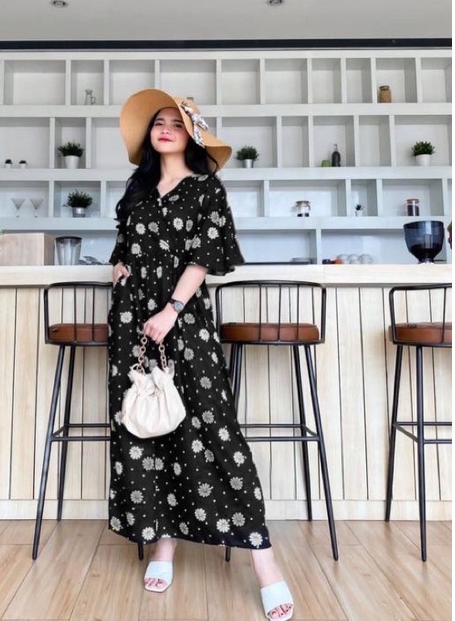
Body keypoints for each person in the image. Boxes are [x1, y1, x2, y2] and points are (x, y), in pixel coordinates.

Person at [107, 88, 294, 621]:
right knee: (147, 425)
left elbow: (204, 257)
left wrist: (170, 310)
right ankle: (163, 543)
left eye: (175, 122)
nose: (165, 128)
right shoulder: (138, 189)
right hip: (131, 321)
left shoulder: (206, 188)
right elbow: (125, 245)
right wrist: (118, 267)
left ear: (191, 134)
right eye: (157, 122)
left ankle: (264, 561)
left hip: (182, 319)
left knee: (213, 429)